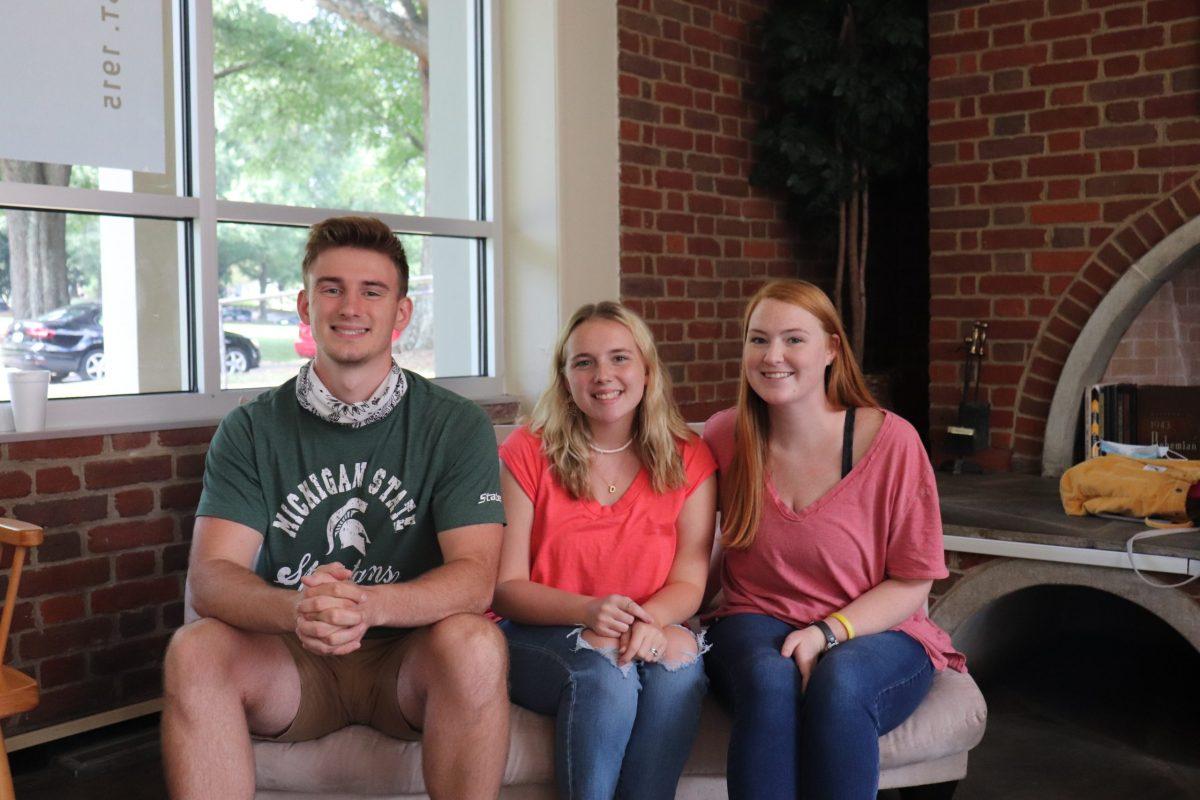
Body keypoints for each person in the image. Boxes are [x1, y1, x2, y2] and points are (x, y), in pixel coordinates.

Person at [161, 216, 509, 800]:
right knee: (193, 650)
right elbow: (211, 579)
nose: (351, 306)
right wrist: (301, 608)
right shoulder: (250, 430)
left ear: (401, 313)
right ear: (305, 303)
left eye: (372, 291)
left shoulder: (455, 425)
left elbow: (476, 579)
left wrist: (369, 605)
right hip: (292, 661)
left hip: (407, 659)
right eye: (332, 288)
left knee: (476, 643)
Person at [702, 280, 965, 800]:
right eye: (758, 340)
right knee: (768, 677)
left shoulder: (892, 441)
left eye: (793, 339)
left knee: (841, 685)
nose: (772, 356)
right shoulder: (723, 435)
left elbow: (913, 581)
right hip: (754, 616)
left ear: (831, 350)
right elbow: (694, 547)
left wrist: (828, 632)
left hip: (878, 628)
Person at [491, 301, 717, 800]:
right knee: (607, 667)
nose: (603, 375)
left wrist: (648, 621)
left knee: (679, 660)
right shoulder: (529, 450)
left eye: (619, 358)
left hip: (645, 621)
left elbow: (689, 582)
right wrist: (589, 611)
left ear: (647, 369)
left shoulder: (689, 456)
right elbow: (506, 589)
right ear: (565, 377)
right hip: (539, 633)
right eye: (584, 362)